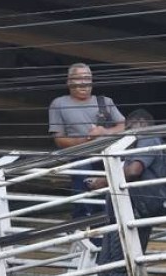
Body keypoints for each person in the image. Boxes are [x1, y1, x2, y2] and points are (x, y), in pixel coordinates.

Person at [88, 110, 166, 276]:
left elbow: (134, 170)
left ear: (140, 124)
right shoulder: (137, 144)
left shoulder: (147, 137)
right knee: (107, 263)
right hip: (123, 212)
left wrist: (103, 182)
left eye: (128, 127)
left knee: (120, 261)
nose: (126, 132)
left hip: (133, 211)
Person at [48, 63, 126, 219]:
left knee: (110, 194)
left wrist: (104, 132)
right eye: (79, 79)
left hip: (105, 156)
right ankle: (84, 219)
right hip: (79, 156)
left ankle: (106, 220)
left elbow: (122, 126)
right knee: (84, 187)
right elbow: (59, 139)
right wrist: (86, 141)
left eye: (88, 78)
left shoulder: (104, 101)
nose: (84, 83)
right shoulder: (59, 104)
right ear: (69, 82)